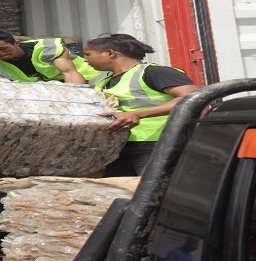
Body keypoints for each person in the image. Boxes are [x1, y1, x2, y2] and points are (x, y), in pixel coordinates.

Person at [82, 33, 199, 176]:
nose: (85, 60)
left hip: (158, 143)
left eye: (88, 54)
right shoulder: (102, 83)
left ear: (110, 53)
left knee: (155, 192)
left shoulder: (154, 72)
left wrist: (137, 114)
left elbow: (193, 97)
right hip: (119, 147)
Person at [0, 30, 101, 84]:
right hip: (36, 91)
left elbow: (69, 73)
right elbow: (4, 87)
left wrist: (79, 100)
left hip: (71, 82)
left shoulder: (48, 48)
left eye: (2, 48)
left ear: (16, 43)